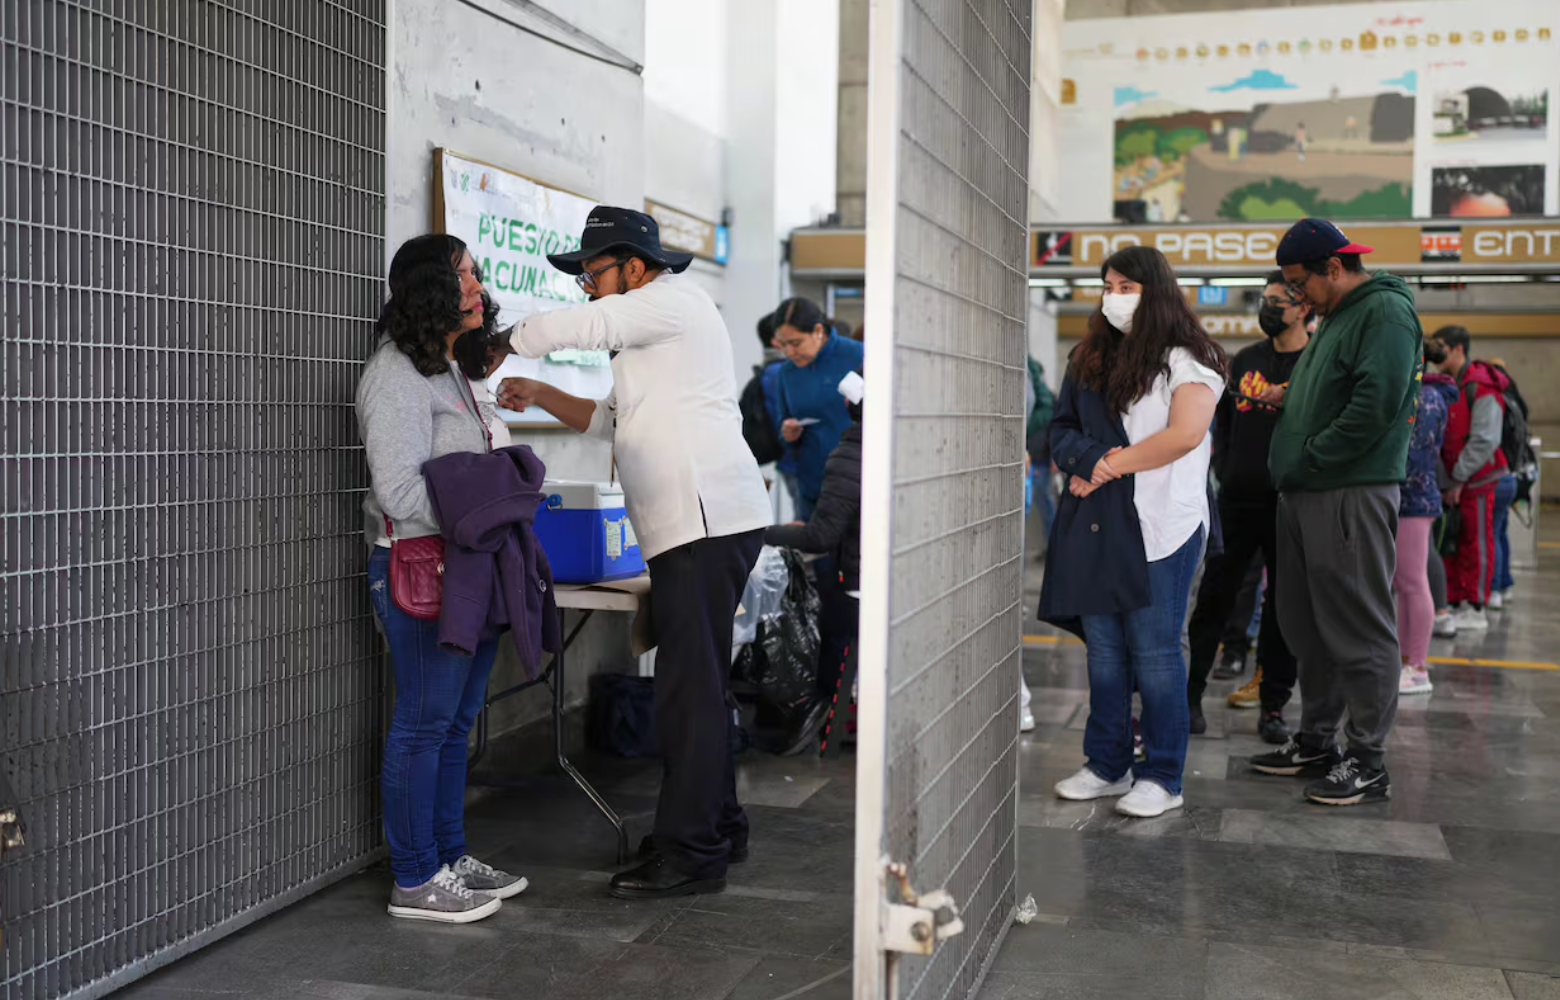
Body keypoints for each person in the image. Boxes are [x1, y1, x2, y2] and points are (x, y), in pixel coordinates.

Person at [494, 207, 771, 900]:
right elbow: (610, 421)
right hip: (697, 525)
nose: (588, 288)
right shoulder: (654, 340)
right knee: (696, 684)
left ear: (636, 266)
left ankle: (693, 851)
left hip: (702, 522)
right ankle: (716, 825)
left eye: (594, 273)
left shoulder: (668, 302)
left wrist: (501, 342)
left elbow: (590, 326)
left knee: (688, 690)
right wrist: (539, 391)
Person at [356, 234, 528, 923]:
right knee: (423, 725)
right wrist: (487, 508)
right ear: (430, 287)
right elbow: (399, 491)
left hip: (469, 564)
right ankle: (415, 877)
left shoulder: (452, 369)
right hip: (421, 565)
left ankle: (450, 858)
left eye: (478, 274)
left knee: (457, 723)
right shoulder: (394, 374)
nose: (479, 287)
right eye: (465, 275)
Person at [1038, 245, 1227, 820]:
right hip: (1101, 527)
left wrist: (1105, 467)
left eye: (1126, 286)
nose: (1114, 296)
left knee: (1156, 654)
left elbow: (1184, 435)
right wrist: (1090, 460)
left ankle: (1163, 776)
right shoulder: (1089, 357)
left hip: (1164, 526)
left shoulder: (1191, 360)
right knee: (1105, 655)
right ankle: (1107, 764)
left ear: (1156, 291)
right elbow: (1060, 430)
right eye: (1108, 285)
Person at [1251, 218, 1421, 807]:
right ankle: (1317, 740)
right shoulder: (1337, 317)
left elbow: (1377, 404)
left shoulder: (1385, 313)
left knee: (1359, 625)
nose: (1295, 298)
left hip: (1346, 488)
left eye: (1300, 285)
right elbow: (1335, 390)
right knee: (1310, 625)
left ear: (1334, 268)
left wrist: (1315, 454)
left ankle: (1368, 761)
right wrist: (1289, 399)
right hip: (1307, 489)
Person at [1187, 272, 1309, 744]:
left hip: (1289, 503)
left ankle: (1273, 704)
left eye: (1278, 301)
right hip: (1236, 501)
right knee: (1214, 600)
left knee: (1282, 609)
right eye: (1265, 300)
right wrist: (1228, 467)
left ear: (1303, 308)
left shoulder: (1314, 361)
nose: (1268, 307)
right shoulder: (1246, 360)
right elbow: (1226, 426)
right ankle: (1190, 697)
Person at [764, 370, 863, 755]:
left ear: (845, 406)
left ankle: (820, 710)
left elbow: (821, 537)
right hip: (901, 582)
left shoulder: (850, 455)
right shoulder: (908, 449)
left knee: (824, 619)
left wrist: (761, 535)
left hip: (861, 588)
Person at [1428, 325, 1508, 632]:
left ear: (1458, 349)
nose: (1436, 354)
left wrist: (1458, 477)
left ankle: (1476, 605)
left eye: (1441, 347)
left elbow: (1484, 439)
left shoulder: (1481, 387)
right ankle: (1458, 601)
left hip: (1476, 481)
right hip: (1454, 482)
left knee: (1477, 542)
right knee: (1454, 542)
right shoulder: (1450, 385)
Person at [1398, 339, 1457, 695]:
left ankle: (1418, 665)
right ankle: (1407, 658)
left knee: (1412, 581)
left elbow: (1415, 452)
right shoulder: (1417, 392)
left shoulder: (1428, 398)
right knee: (1403, 584)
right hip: (1402, 496)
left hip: (1414, 498)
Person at [771, 298, 865, 520]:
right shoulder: (787, 373)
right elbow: (782, 423)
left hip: (856, 485)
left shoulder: (857, 355)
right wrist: (787, 433)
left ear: (818, 331)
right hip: (813, 488)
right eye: (783, 345)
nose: (790, 352)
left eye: (796, 343)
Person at [737, 314, 801, 518]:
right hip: (796, 461)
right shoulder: (780, 372)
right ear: (776, 339)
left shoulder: (772, 370)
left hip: (789, 461)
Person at [1485, 357, 1525, 611]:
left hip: (1495, 474)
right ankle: (1505, 584)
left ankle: (1494, 589)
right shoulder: (1515, 401)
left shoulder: (1495, 402)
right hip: (1512, 475)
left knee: (1492, 534)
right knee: (1501, 532)